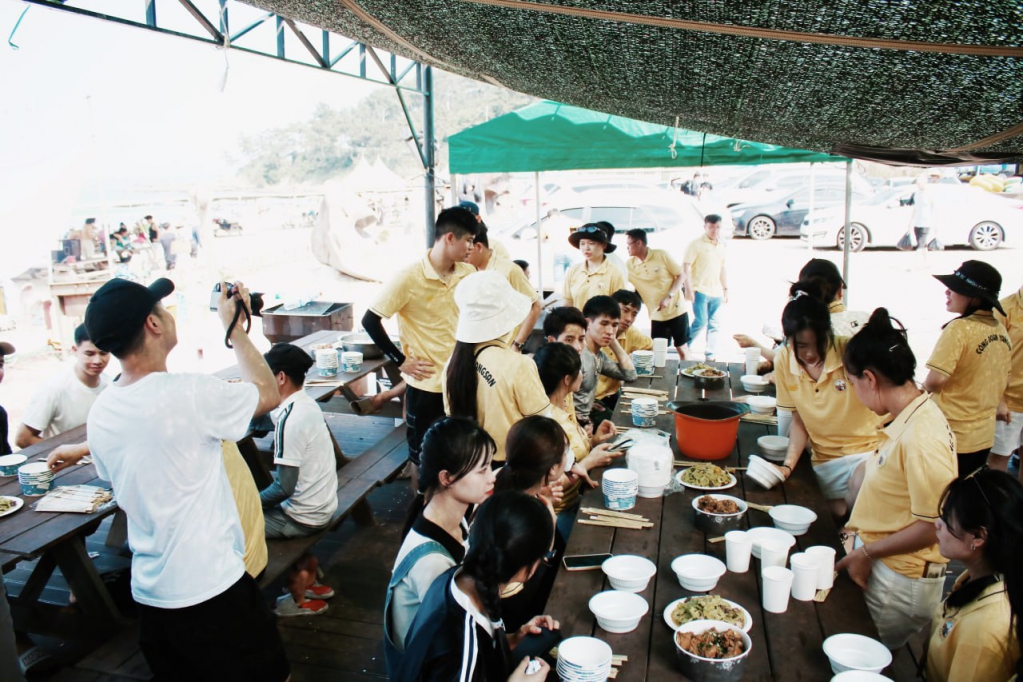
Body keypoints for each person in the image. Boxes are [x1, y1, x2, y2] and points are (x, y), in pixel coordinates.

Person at [83, 277, 289, 681]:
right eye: (163, 308)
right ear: (153, 324)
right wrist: (232, 327)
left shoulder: (102, 411)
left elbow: (113, 478)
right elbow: (268, 392)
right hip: (212, 589)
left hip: (150, 596)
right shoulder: (191, 393)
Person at [837, 308, 958, 650]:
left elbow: (930, 524)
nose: (854, 393)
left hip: (900, 580)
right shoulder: (911, 412)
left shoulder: (922, 437)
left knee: (856, 657)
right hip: (883, 564)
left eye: (853, 383)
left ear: (870, 379)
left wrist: (867, 553)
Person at [362, 207, 478, 480]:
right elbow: (370, 321)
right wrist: (401, 360)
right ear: (450, 238)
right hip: (426, 387)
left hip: (461, 382)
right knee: (422, 459)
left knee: (460, 455)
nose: (471, 247)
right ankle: (422, 511)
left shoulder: (468, 273)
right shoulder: (409, 277)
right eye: (468, 241)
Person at [394, 491, 557, 682]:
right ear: (530, 567)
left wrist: (511, 640)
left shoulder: (459, 577)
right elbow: (464, 655)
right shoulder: (460, 641)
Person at [385, 417, 497, 674]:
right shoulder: (432, 563)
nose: (491, 477)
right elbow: (452, 639)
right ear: (446, 477)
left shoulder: (447, 515)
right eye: (482, 470)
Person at [772, 281, 882, 517]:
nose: (810, 354)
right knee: (807, 512)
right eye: (800, 346)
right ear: (787, 339)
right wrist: (787, 466)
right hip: (823, 460)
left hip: (867, 453)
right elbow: (798, 418)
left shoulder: (851, 352)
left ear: (828, 333)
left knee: (858, 493)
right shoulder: (783, 360)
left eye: (818, 343)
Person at [258, 343, 339, 617]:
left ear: (280, 377)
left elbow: (284, 487)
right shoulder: (306, 404)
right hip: (323, 505)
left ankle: (295, 599)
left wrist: (248, 506)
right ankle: (309, 575)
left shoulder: (289, 420)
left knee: (230, 522)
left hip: (303, 518)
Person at [926, 469, 1023, 680]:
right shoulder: (982, 578)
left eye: (947, 519)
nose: (938, 524)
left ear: (978, 536)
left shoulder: (984, 628)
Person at [444, 271, 550, 462]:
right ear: (507, 319)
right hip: (514, 468)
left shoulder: (452, 363)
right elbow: (543, 424)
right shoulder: (519, 364)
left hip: (468, 467)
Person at [924, 261, 1012, 477]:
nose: (947, 291)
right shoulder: (1000, 330)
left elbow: (935, 381)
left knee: (942, 497)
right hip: (982, 437)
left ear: (973, 297)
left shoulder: (959, 328)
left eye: (955, 289)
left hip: (951, 435)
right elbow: (1003, 380)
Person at [534, 342, 619, 538]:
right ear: (566, 379)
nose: (583, 373)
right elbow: (545, 488)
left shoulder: (565, 404)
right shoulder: (548, 422)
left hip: (577, 498)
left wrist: (594, 441)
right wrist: (589, 462)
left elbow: (571, 453)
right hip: (557, 512)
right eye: (579, 370)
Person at [17, 325, 110, 459]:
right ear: (75, 350)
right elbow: (23, 438)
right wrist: (63, 454)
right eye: (89, 354)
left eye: (103, 353)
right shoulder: (55, 388)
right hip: (66, 470)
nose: (97, 361)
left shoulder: (110, 386)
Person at [467, 224, 541, 352]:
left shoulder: (509, 270)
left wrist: (517, 344)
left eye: (468, 250)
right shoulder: (466, 271)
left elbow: (535, 306)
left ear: (478, 247)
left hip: (505, 349)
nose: (463, 254)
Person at [624, 229, 689, 360]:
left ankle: (688, 375)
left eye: (629, 244)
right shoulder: (629, 265)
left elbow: (681, 275)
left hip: (677, 310)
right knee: (658, 352)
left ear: (639, 243)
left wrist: (669, 295)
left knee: (682, 348)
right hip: (656, 314)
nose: (627, 247)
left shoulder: (661, 255)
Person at [575, 296, 637, 428]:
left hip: (589, 415)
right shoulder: (578, 355)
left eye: (614, 325)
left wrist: (613, 342)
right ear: (587, 324)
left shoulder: (598, 356)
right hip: (577, 424)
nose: (610, 331)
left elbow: (630, 375)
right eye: (604, 324)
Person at [595, 290, 654, 411]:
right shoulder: (594, 334)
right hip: (592, 398)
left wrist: (632, 359)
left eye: (634, 314)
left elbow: (650, 347)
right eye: (625, 310)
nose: (629, 319)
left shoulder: (631, 332)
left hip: (612, 393)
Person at [683, 214, 728, 361]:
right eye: (711, 227)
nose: (714, 230)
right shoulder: (695, 244)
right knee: (701, 321)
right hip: (700, 290)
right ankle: (684, 345)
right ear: (705, 227)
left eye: (717, 227)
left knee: (715, 324)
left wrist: (725, 288)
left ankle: (710, 354)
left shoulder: (721, 245)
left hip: (716, 292)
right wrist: (689, 289)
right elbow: (686, 266)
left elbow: (722, 268)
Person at [992, 280, 1023, 476]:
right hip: (1009, 404)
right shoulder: (1004, 310)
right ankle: (998, 506)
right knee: (999, 460)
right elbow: (992, 361)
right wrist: (999, 400)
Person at [562, 222, 625, 310]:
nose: (586, 248)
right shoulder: (573, 271)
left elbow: (618, 308)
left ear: (604, 245)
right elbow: (567, 303)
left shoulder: (614, 273)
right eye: (582, 243)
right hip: (577, 323)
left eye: (591, 243)